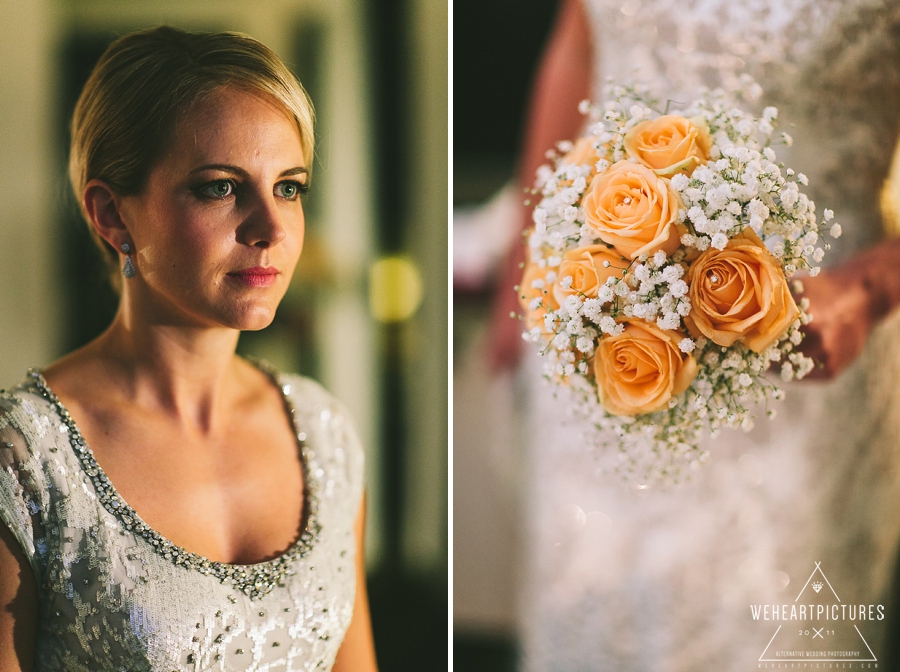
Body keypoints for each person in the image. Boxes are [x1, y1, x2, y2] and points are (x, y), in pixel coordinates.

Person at [489, 0, 900, 668]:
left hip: (807, 358)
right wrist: (524, 261)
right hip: (602, 318)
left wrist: (865, 289)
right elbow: (579, 45)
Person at [0, 26, 378, 672]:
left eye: (289, 186)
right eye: (220, 186)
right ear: (113, 217)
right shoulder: (27, 457)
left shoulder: (325, 432)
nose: (271, 228)